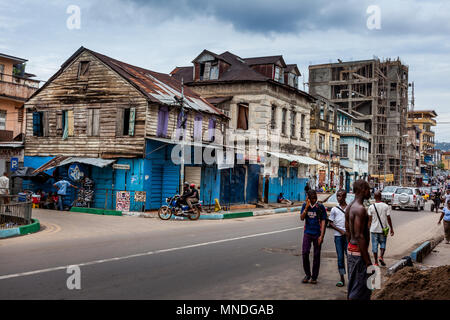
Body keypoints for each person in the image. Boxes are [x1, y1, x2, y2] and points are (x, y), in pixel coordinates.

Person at [345, 179, 372, 300]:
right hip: (359, 254)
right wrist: (368, 263)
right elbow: (359, 236)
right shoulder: (360, 209)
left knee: (353, 284)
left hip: (352, 251)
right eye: (368, 189)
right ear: (362, 190)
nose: (369, 192)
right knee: (361, 288)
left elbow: (348, 232)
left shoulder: (350, 207)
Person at [300, 189, 327, 284]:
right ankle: (307, 274)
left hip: (317, 234)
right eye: (311, 198)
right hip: (307, 233)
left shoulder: (320, 207)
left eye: (315, 198)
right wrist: (306, 208)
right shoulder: (305, 205)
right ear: (308, 198)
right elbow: (302, 218)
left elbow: (323, 221)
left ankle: (314, 277)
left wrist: (322, 236)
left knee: (316, 255)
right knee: (305, 252)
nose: (314, 200)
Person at [368, 191, 395, 267]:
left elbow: (369, 221)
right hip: (383, 229)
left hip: (374, 230)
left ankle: (376, 262)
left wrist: (367, 229)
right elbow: (388, 218)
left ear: (374, 197)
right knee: (383, 243)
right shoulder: (386, 206)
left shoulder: (371, 207)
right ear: (381, 197)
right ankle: (381, 256)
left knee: (374, 246)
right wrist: (391, 229)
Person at [328, 189, 348, 287]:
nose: (339, 198)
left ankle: (351, 277)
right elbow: (330, 222)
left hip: (348, 237)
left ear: (345, 196)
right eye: (338, 196)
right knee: (340, 258)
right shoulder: (334, 209)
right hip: (338, 237)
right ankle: (342, 279)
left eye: (341, 196)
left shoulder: (349, 209)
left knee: (350, 257)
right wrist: (340, 230)